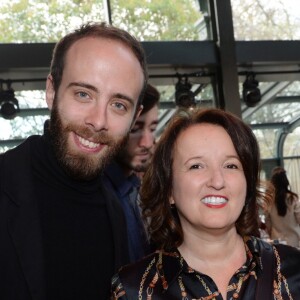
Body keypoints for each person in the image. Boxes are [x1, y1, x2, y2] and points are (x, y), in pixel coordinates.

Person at [0, 21, 148, 300]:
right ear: (52, 92)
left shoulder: (115, 210)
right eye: (83, 94)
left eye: (118, 105)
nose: (98, 121)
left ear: (134, 116)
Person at [111, 108, 300, 299]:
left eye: (231, 165)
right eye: (196, 166)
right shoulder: (134, 289)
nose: (217, 181)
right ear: (169, 190)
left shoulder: (292, 269)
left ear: (247, 184)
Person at [104, 83, 159, 263]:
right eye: (135, 129)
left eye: (152, 129)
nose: (147, 142)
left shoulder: (133, 188)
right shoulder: (102, 195)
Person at [265, 166, 300, 247]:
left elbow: (268, 223)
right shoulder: (293, 199)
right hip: (294, 242)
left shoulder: (269, 200)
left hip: (277, 241)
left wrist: (270, 234)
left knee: (279, 259)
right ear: (286, 181)